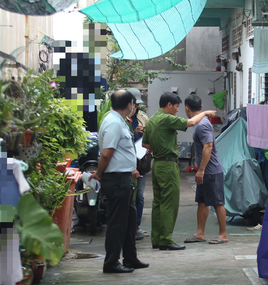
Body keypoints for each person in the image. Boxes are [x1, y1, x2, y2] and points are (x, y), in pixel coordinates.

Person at [143, 92, 216, 251]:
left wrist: (164, 145)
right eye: (176, 106)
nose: (177, 110)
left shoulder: (151, 121)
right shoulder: (166, 118)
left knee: (158, 203)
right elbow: (191, 122)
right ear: (169, 105)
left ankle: (157, 238)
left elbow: (146, 145)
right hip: (168, 166)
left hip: (157, 165)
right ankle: (166, 239)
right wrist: (204, 113)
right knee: (170, 203)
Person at [92, 90, 149, 274]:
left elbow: (120, 152)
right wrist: (99, 174)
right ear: (129, 104)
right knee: (117, 222)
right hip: (116, 179)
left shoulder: (120, 121)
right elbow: (107, 153)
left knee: (130, 221)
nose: (134, 106)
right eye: (133, 103)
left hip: (124, 177)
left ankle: (130, 257)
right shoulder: (114, 123)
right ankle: (111, 262)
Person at [183, 95, 228, 245]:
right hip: (205, 170)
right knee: (202, 202)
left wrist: (201, 170)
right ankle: (200, 233)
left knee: (217, 203)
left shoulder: (202, 125)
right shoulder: (199, 123)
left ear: (186, 108)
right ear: (201, 107)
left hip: (211, 170)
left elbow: (208, 147)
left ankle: (223, 235)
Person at [127, 88, 149, 241]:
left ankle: (136, 227)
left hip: (141, 160)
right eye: (133, 104)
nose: (135, 108)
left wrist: (145, 134)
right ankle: (128, 227)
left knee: (139, 196)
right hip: (126, 162)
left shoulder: (142, 117)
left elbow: (150, 135)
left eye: (137, 105)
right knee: (128, 195)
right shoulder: (121, 119)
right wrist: (133, 133)